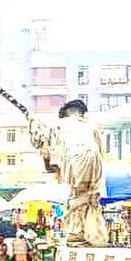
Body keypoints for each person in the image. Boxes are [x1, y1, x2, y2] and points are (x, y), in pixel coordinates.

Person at [28, 98, 107, 246]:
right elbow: (101, 151)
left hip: (76, 157)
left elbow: (44, 147)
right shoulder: (91, 125)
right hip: (94, 158)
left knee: (77, 194)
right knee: (88, 195)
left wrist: (32, 119)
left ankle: (77, 232)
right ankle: (86, 233)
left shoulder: (60, 124)